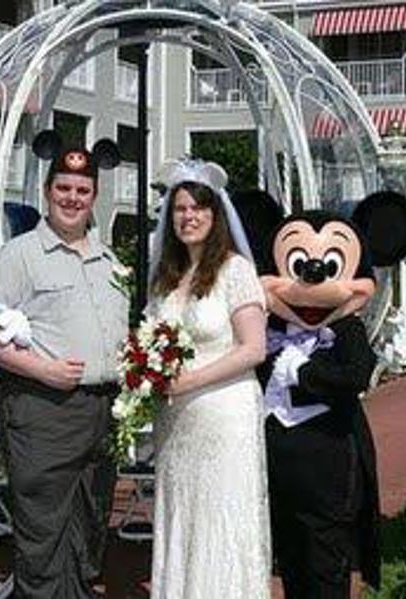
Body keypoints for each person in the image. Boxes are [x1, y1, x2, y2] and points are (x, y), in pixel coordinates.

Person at [0, 130, 128, 598]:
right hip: (44, 410)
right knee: (43, 533)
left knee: (88, 530)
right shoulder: (20, 255)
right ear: (47, 191)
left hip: (103, 411)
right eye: (63, 188)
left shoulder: (108, 260)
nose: (72, 198)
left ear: (94, 195)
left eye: (82, 190)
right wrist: (41, 369)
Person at [256, 192, 406, 599]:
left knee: (326, 563)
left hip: (327, 466)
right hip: (278, 467)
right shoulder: (268, 327)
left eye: (329, 267)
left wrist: (304, 372)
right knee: (290, 560)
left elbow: (357, 376)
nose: (312, 279)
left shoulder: (345, 330)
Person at [147, 159, 270, 599]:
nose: (188, 217)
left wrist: (191, 380)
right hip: (177, 422)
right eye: (180, 209)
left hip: (224, 416)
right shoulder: (165, 278)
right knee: (182, 512)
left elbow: (253, 349)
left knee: (220, 515)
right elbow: (150, 340)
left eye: (198, 208)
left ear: (216, 216)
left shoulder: (235, 271)